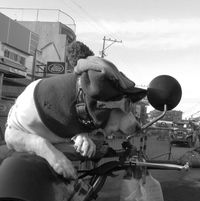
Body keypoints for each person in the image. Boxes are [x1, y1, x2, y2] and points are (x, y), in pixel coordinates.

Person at [5, 56, 147, 180]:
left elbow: (78, 113)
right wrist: (45, 149)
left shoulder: (83, 112)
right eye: (126, 107)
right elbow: (10, 137)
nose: (133, 121)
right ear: (102, 105)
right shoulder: (29, 110)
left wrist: (80, 134)